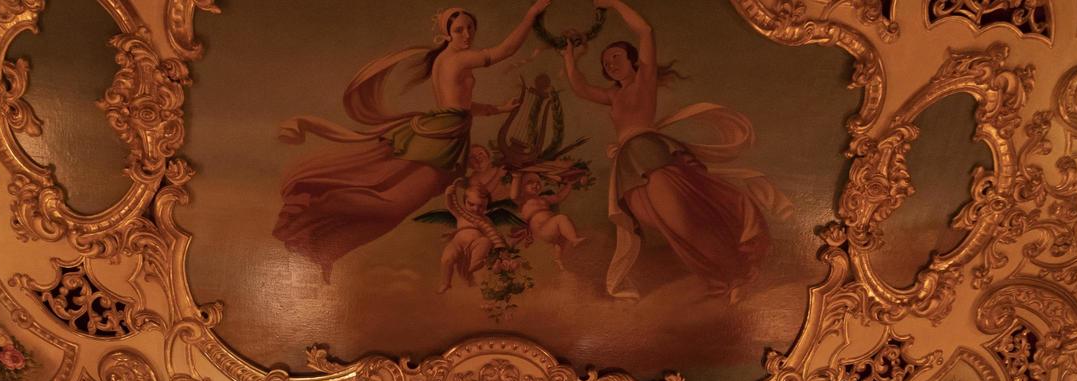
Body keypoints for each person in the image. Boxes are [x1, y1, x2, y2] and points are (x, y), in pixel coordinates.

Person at [274, 2, 551, 279]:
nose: (466, 35)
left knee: (393, 210)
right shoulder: (457, 58)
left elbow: (458, 104)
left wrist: (495, 109)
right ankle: (316, 208)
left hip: (446, 133)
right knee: (393, 206)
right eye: (459, 30)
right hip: (441, 139)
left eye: (470, 29)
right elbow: (504, 51)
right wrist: (530, 16)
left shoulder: (449, 59)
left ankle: (322, 244)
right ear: (447, 34)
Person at [559, 0, 789, 300]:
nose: (610, 64)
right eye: (605, 63)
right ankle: (719, 278)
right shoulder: (613, 95)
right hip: (629, 166)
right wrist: (569, 59)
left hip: (649, 155)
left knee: (683, 220)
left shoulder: (644, 80)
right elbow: (581, 88)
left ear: (633, 61)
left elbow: (645, 30)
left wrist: (613, 3)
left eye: (616, 57)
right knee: (670, 228)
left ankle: (738, 273)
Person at [510, 171, 584, 268]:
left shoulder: (544, 199)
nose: (535, 185)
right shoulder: (523, 200)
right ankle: (574, 239)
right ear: (522, 188)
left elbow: (559, 197)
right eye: (530, 182)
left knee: (560, 241)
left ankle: (558, 260)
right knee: (561, 218)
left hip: (550, 228)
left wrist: (569, 184)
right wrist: (517, 176)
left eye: (538, 183)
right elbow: (513, 195)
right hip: (541, 229)